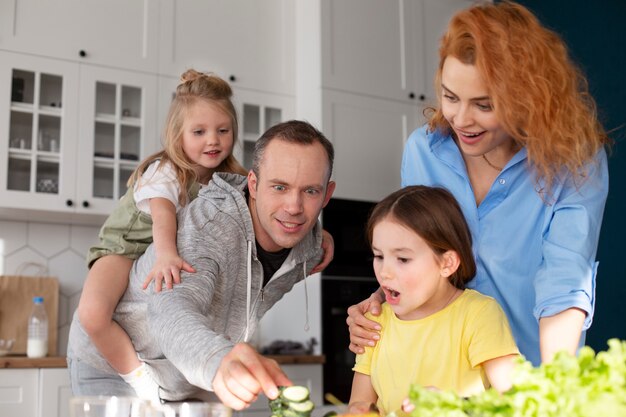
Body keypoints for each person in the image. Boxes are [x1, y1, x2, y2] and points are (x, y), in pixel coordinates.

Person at [346, 1, 609, 366]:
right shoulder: (424, 151)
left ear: (526, 97)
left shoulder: (575, 161)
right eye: (451, 97)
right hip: (440, 373)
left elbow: (563, 284)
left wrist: (553, 386)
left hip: (524, 371)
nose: (461, 119)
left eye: (484, 105)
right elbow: (419, 256)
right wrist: (382, 296)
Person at [67, 120, 336, 409]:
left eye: (310, 191)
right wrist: (218, 361)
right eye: (280, 187)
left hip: (186, 376)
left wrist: (374, 301)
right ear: (254, 185)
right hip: (112, 367)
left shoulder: (309, 244)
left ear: (326, 195)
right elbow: (171, 308)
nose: (294, 207)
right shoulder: (209, 227)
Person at [76, 69, 248, 402]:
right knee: (92, 315)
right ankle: (138, 377)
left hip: (157, 250)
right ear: (177, 135)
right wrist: (167, 254)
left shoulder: (230, 178)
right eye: (199, 131)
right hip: (124, 248)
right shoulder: (166, 169)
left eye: (222, 130)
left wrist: (318, 235)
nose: (213, 140)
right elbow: (163, 216)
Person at [348, 186, 518, 416]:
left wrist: (454, 406)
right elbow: (358, 405)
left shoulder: (478, 314)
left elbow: (515, 400)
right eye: (379, 256)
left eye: (403, 259)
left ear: (446, 263)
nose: (384, 272)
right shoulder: (375, 321)